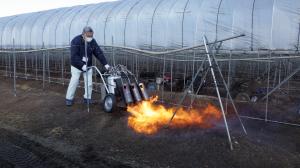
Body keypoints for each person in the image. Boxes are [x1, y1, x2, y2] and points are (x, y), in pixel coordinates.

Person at [65, 26, 110, 106]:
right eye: (89, 36)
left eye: (91, 36)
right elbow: (74, 56)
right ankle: (69, 98)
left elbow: (98, 52)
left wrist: (105, 64)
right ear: (83, 34)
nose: (90, 38)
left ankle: (87, 98)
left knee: (89, 83)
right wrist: (82, 65)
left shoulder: (92, 41)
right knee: (74, 81)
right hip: (76, 65)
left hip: (88, 66)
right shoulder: (76, 41)